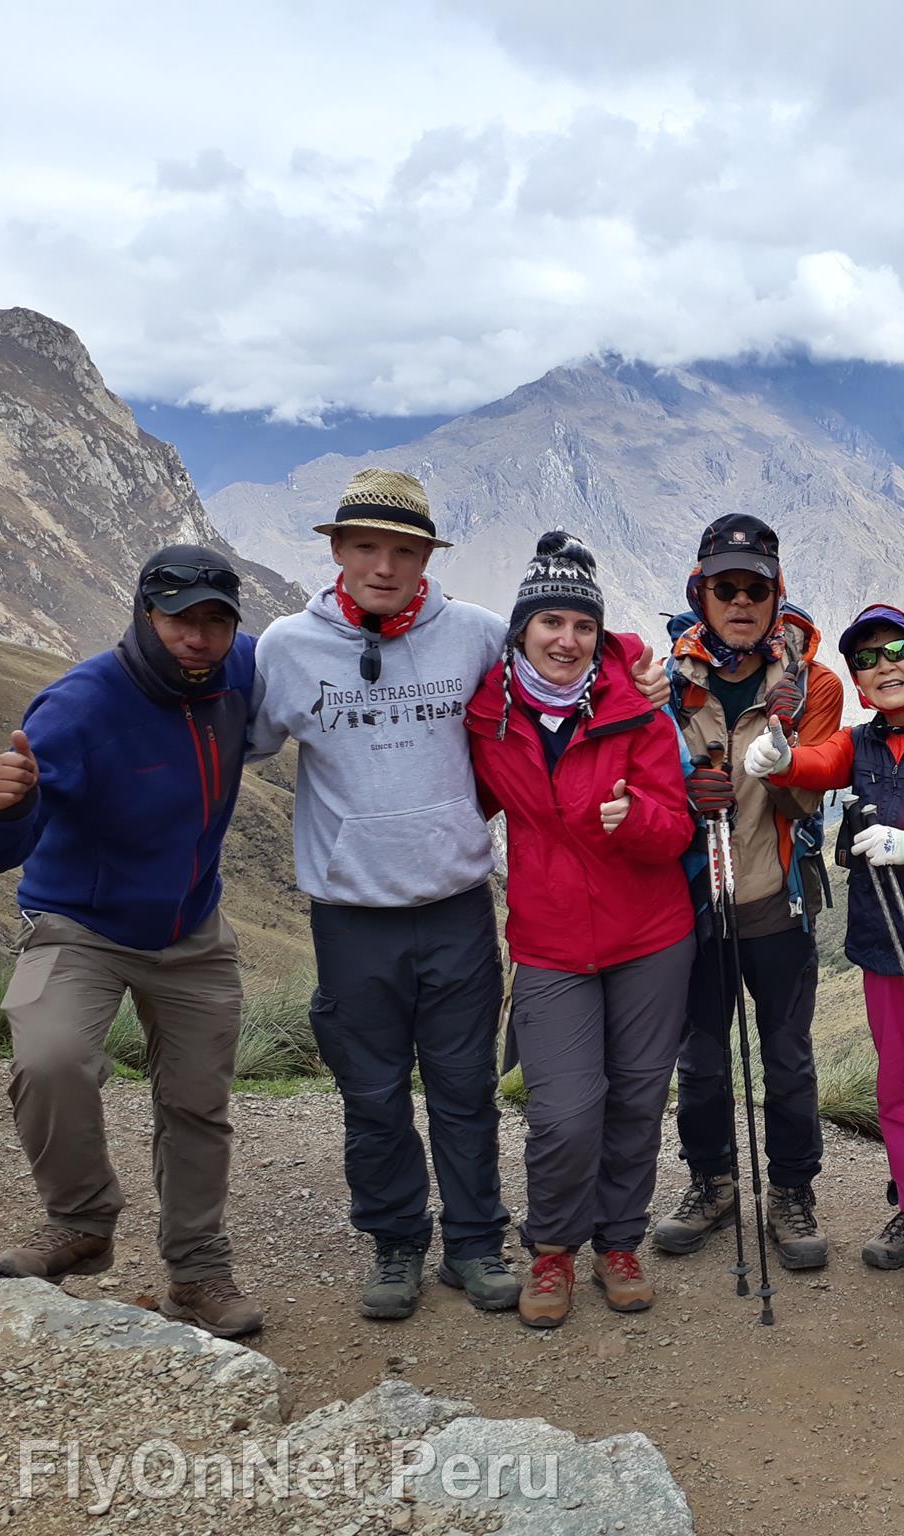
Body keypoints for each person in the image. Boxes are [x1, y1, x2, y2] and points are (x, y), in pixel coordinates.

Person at [0, 546, 265, 1338]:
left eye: (216, 621)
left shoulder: (241, 673)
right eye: (179, 619)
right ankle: (79, 1222)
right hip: (73, 925)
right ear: (145, 616)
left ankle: (197, 1272)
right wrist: (0, 807)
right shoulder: (81, 705)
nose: (198, 637)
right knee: (47, 1058)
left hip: (192, 930)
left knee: (197, 1101)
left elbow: (328, 651)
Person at [248, 469, 521, 1321]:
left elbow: (559, 687)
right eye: (365, 547)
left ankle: (474, 1244)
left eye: (404, 551)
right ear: (336, 549)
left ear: (427, 558)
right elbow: (232, 744)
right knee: (371, 1096)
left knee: (464, 1090)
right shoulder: (287, 648)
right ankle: (396, 1243)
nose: (384, 566)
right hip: (351, 915)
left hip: (456, 906)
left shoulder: (475, 635)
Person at [745, 605, 904, 1301]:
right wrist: (781, 761)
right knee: (899, 1090)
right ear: (858, 679)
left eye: (896, 650)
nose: (883, 666)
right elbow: (815, 762)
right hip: (885, 946)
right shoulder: (858, 745)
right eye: (866, 658)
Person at [465, 533, 696, 1328]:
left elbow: (676, 828)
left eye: (583, 626)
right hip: (552, 942)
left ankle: (618, 1242)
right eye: (551, 622)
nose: (566, 640)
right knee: (564, 1112)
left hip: (651, 938)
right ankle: (554, 1248)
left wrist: (636, 820)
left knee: (636, 1100)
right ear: (522, 630)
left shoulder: (637, 709)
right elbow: (464, 800)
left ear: (600, 635)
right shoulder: (487, 716)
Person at [652, 514, 845, 1271]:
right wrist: (682, 795)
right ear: (699, 593)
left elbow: (810, 799)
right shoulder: (668, 684)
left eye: (755, 589)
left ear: (776, 594)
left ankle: (792, 1190)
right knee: (700, 1058)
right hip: (692, 900)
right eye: (724, 587)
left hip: (776, 899)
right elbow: (644, 786)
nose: (740, 601)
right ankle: (712, 1181)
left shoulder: (814, 686)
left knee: (787, 1057)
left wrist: (783, 762)